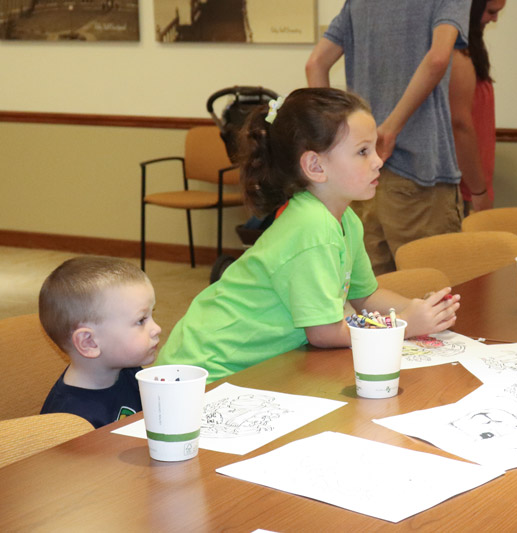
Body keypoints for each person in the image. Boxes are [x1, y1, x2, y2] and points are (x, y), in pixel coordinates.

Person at [157, 88, 460, 383]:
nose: (379, 160)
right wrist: (403, 324)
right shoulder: (313, 227)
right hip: (204, 373)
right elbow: (324, 333)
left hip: (243, 367)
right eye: (363, 151)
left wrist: (418, 311)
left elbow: (365, 296)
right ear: (315, 166)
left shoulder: (346, 219)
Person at [305, 0, 473, 275]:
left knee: (371, 292)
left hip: (360, 178)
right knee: (432, 288)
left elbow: (315, 64)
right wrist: (390, 129)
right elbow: (438, 58)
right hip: (419, 175)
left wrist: (336, 144)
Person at [39, 256, 161, 429]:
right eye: (141, 320)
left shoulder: (129, 372)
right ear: (89, 343)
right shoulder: (70, 422)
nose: (157, 328)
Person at [450, 0, 506, 215]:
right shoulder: (456, 55)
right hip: (461, 190)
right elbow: (459, 124)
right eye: (491, 12)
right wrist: (478, 191)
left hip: (473, 186)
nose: (495, 19)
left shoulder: (472, 52)